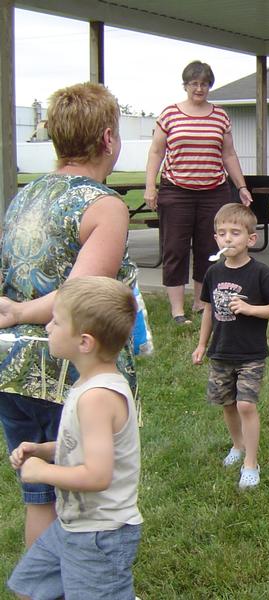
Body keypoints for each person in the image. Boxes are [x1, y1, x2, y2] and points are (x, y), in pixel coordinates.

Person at [0, 82, 138, 549]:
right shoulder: (104, 205)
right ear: (107, 139)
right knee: (88, 497)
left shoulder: (25, 196)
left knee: (39, 494)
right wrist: (23, 310)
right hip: (70, 371)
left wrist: (15, 312)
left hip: (11, 368)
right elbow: (82, 295)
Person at [7, 277, 142, 598]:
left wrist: (42, 472)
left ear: (85, 342)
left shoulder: (98, 397)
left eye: (56, 320)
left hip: (99, 535)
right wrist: (43, 449)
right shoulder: (88, 384)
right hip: (72, 525)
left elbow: (97, 474)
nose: (48, 327)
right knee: (30, 586)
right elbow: (82, 445)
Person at [145, 60, 253, 325]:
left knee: (210, 247)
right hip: (176, 190)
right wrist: (150, 185)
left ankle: (201, 303)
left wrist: (241, 186)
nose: (199, 88)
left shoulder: (220, 116)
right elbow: (157, 151)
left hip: (213, 191)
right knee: (175, 248)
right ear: (186, 85)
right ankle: (177, 310)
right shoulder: (170, 114)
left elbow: (228, 154)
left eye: (204, 83)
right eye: (194, 83)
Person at [192, 204, 269, 490]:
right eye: (222, 234)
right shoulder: (213, 273)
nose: (228, 239)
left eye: (235, 233)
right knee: (228, 404)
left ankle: (251, 463)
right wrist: (201, 345)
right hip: (221, 351)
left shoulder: (260, 273)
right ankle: (237, 445)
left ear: (250, 239)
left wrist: (249, 308)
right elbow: (208, 311)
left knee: (246, 404)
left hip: (250, 353)